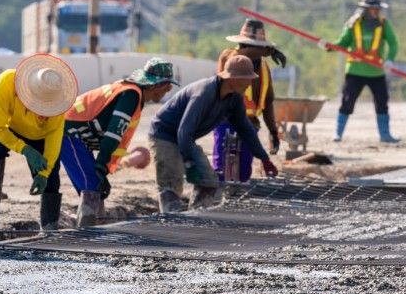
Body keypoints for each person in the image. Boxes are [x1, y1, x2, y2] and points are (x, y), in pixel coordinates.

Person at [149, 53, 279, 212]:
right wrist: (189, 163)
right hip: (164, 134)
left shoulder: (235, 98)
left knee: (209, 182)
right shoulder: (204, 93)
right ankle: (170, 220)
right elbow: (184, 130)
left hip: (185, 137)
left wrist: (264, 158)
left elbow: (246, 130)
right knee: (171, 184)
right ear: (233, 78)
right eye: (247, 78)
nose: (250, 83)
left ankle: (195, 216)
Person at [62, 57, 179, 227]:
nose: (167, 91)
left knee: (97, 189)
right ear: (157, 85)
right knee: (92, 187)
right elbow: (113, 134)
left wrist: (104, 168)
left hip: (77, 136)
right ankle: (86, 233)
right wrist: (101, 165)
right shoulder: (131, 95)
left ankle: (94, 229)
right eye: (167, 87)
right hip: (68, 134)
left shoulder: (131, 92)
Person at [0, 53, 79, 231]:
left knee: (51, 178)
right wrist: (26, 150)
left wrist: (44, 174)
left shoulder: (57, 99)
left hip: (39, 135)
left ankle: (50, 225)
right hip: (9, 129)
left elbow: (54, 138)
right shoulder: (3, 85)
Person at [213, 19, 286, 182]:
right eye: (247, 44)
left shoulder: (264, 68)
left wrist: (273, 131)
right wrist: (267, 50)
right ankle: (215, 195)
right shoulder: (229, 56)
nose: (249, 48)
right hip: (226, 118)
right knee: (220, 166)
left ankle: (236, 197)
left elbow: (267, 102)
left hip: (250, 123)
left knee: (244, 171)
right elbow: (240, 56)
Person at [324, 0, 400, 144]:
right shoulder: (353, 24)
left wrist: (390, 60)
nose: (376, 12)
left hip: (376, 71)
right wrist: (330, 46)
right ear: (365, 9)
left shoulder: (383, 24)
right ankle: (338, 133)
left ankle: (385, 135)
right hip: (355, 71)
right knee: (347, 101)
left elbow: (393, 43)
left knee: (382, 102)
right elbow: (343, 43)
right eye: (373, 9)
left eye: (378, 9)